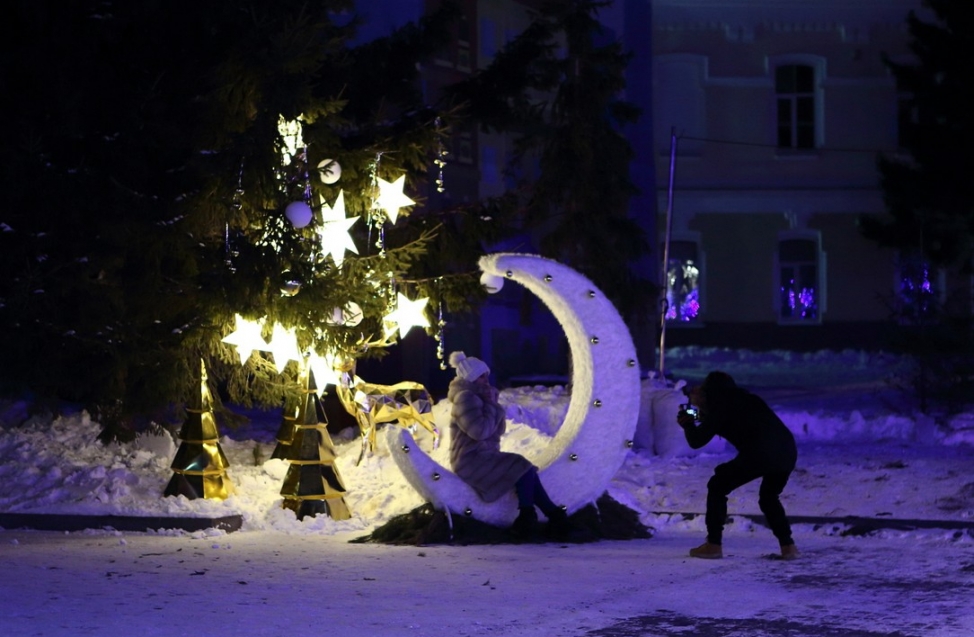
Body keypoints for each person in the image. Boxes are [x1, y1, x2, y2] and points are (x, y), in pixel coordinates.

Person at [677, 371, 800, 560]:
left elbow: (696, 440)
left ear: (709, 392)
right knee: (769, 497)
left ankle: (713, 545)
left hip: (761, 453)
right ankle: (788, 547)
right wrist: (692, 415)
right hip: (787, 451)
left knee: (717, 486)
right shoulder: (747, 400)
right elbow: (710, 418)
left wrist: (687, 423)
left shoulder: (720, 407)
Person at [447, 351, 570, 539]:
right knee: (520, 464)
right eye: (481, 377)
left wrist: (492, 404)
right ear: (471, 379)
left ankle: (544, 516)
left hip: (484, 456)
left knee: (524, 468)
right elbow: (480, 432)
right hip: (470, 460)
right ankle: (537, 517)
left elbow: (497, 430)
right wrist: (490, 405)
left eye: (486, 375)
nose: (486, 380)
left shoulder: (478, 397)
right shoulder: (465, 398)